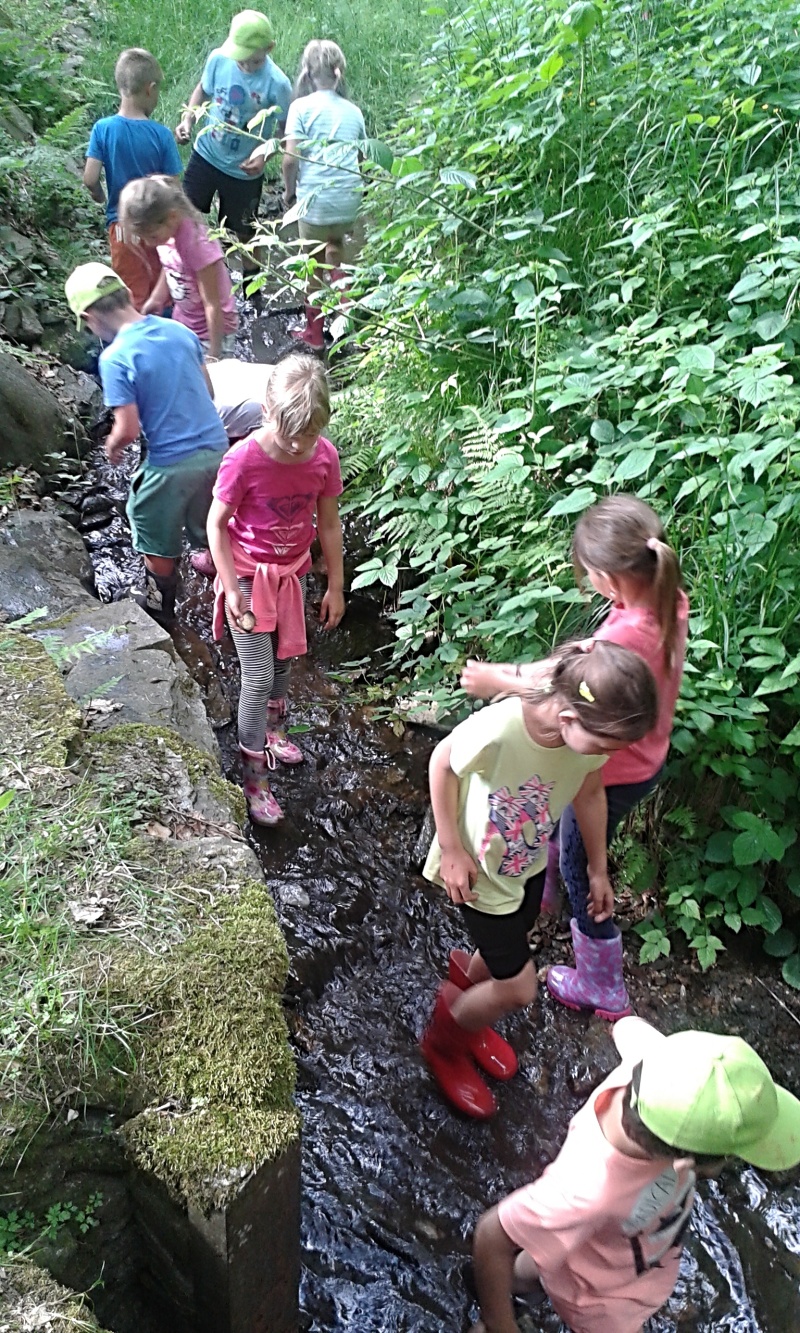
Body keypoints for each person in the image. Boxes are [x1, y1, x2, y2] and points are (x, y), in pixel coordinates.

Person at [461, 496, 688, 1022]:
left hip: (610, 770)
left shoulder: (625, 634)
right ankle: (542, 896)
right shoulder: (666, 598)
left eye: (589, 574)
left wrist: (497, 678)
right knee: (561, 827)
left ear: (608, 578)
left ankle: (600, 984)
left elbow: (564, 683)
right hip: (643, 755)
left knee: (583, 868)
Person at [420, 641, 658, 1120]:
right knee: (519, 988)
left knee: (512, 944)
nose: (609, 755)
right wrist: (451, 848)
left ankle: (469, 1006)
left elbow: (590, 793)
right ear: (568, 718)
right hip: (480, 875)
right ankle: (444, 1043)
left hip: (525, 867)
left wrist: (597, 868)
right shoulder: (503, 729)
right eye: (606, 746)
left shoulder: (585, 735)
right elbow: (442, 761)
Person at [467, 1015, 800, 1333]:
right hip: (601, 1299)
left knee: (542, 1261)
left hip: (599, 1248)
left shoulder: (657, 1076)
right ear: (687, 1162)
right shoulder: (590, 1192)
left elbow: (629, 1027)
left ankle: (516, 1285)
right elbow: (491, 1233)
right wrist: (500, 1325)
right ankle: (498, 1305)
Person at [207, 354, 345, 825]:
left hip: (292, 573)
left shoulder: (324, 457)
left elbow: (329, 523)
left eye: (308, 436)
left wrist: (336, 585)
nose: (298, 446)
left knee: (285, 657)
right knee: (259, 673)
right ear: (266, 412)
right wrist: (231, 588)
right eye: (289, 436)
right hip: (248, 574)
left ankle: (274, 729)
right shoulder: (243, 458)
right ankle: (254, 778)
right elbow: (216, 525)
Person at [64, 262, 228, 622]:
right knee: (212, 521)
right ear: (127, 294)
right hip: (218, 450)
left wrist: (112, 446)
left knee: (148, 520)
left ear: (90, 317)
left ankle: (160, 605)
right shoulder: (179, 330)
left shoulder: (114, 357)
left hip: (170, 463)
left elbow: (128, 429)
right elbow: (209, 391)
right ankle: (228, 580)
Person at [176, 10, 291, 255]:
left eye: (254, 61)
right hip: (206, 154)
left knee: (245, 232)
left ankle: (252, 277)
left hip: (244, 171)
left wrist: (264, 156)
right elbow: (203, 90)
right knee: (186, 214)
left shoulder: (278, 84)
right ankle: (195, 265)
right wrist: (188, 119)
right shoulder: (219, 59)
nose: (245, 65)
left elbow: (285, 131)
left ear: (269, 48)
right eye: (240, 59)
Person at [280, 40, 366, 350]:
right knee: (338, 251)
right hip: (348, 198)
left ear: (307, 72)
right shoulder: (354, 111)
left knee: (312, 265)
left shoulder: (300, 108)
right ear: (339, 71)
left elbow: (290, 159)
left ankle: (315, 335)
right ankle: (348, 326)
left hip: (315, 203)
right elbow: (362, 158)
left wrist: (289, 193)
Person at [83, 49, 183, 311]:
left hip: (122, 228)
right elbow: (174, 187)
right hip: (158, 225)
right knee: (164, 292)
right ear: (150, 89)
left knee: (133, 294)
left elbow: (90, 177)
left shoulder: (103, 129)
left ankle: (136, 330)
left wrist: (100, 196)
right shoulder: (161, 135)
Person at [118, 175, 238, 361]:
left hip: (213, 330)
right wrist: (157, 298)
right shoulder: (167, 235)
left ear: (172, 217)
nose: (149, 243)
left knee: (208, 376)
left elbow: (212, 303)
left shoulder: (197, 245)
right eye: (144, 238)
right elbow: (170, 266)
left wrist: (215, 353)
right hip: (187, 320)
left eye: (152, 236)